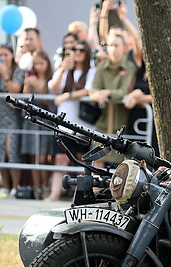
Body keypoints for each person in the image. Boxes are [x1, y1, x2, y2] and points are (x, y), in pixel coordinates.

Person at [46, 41, 97, 201]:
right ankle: (54, 194)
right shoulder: (66, 71)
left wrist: (67, 95)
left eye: (82, 50)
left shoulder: (91, 71)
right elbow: (53, 88)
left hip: (84, 125)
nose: (77, 52)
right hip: (65, 124)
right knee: (60, 158)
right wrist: (62, 68)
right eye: (74, 49)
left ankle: (82, 195)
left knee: (83, 159)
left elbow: (88, 90)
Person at [89, 34, 136, 167]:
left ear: (124, 48)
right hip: (102, 122)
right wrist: (96, 95)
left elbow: (124, 91)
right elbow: (93, 89)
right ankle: (97, 188)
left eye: (116, 45)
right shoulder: (102, 67)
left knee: (121, 167)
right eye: (110, 45)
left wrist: (108, 93)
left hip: (122, 125)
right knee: (97, 162)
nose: (113, 49)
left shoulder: (129, 67)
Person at [21, 51, 54, 199]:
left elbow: (48, 101)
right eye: (36, 64)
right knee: (33, 155)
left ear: (47, 64)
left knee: (43, 157)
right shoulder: (30, 78)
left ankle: (46, 184)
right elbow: (26, 100)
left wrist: (38, 85)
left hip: (45, 121)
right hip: (32, 122)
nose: (39, 66)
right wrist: (28, 85)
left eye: (41, 63)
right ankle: (37, 187)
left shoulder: (50, 79)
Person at [0, 44, 26, 198]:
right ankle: (5, 185)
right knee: (1, 152)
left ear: (12, 56)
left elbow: (15, 90)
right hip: (0, 116)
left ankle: (16, 187)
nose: (2, 57)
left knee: (12, 151)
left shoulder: (18, 72)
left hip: (13, 117)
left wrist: (5, 75)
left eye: (5, 54)